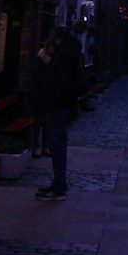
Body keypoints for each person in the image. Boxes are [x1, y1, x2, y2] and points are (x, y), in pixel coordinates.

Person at [36, 25, 84, 201]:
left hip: (60, 106)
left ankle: (58, 187)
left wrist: (51, 105)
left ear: (56, 37)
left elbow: (59, 82)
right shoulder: (71, 51)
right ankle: (58, 184)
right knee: (58, 145)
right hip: (66, 104)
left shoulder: (65, 54)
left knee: (56, 145)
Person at [28, 41, 53, 158]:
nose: (53, 50)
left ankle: (45, 146)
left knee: (47, 122)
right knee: (38, 122)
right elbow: (35, 78)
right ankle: (36, 147)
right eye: (51, 48)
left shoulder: (52, 60)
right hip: (39, 95)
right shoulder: (40, 60)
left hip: (48, 95)